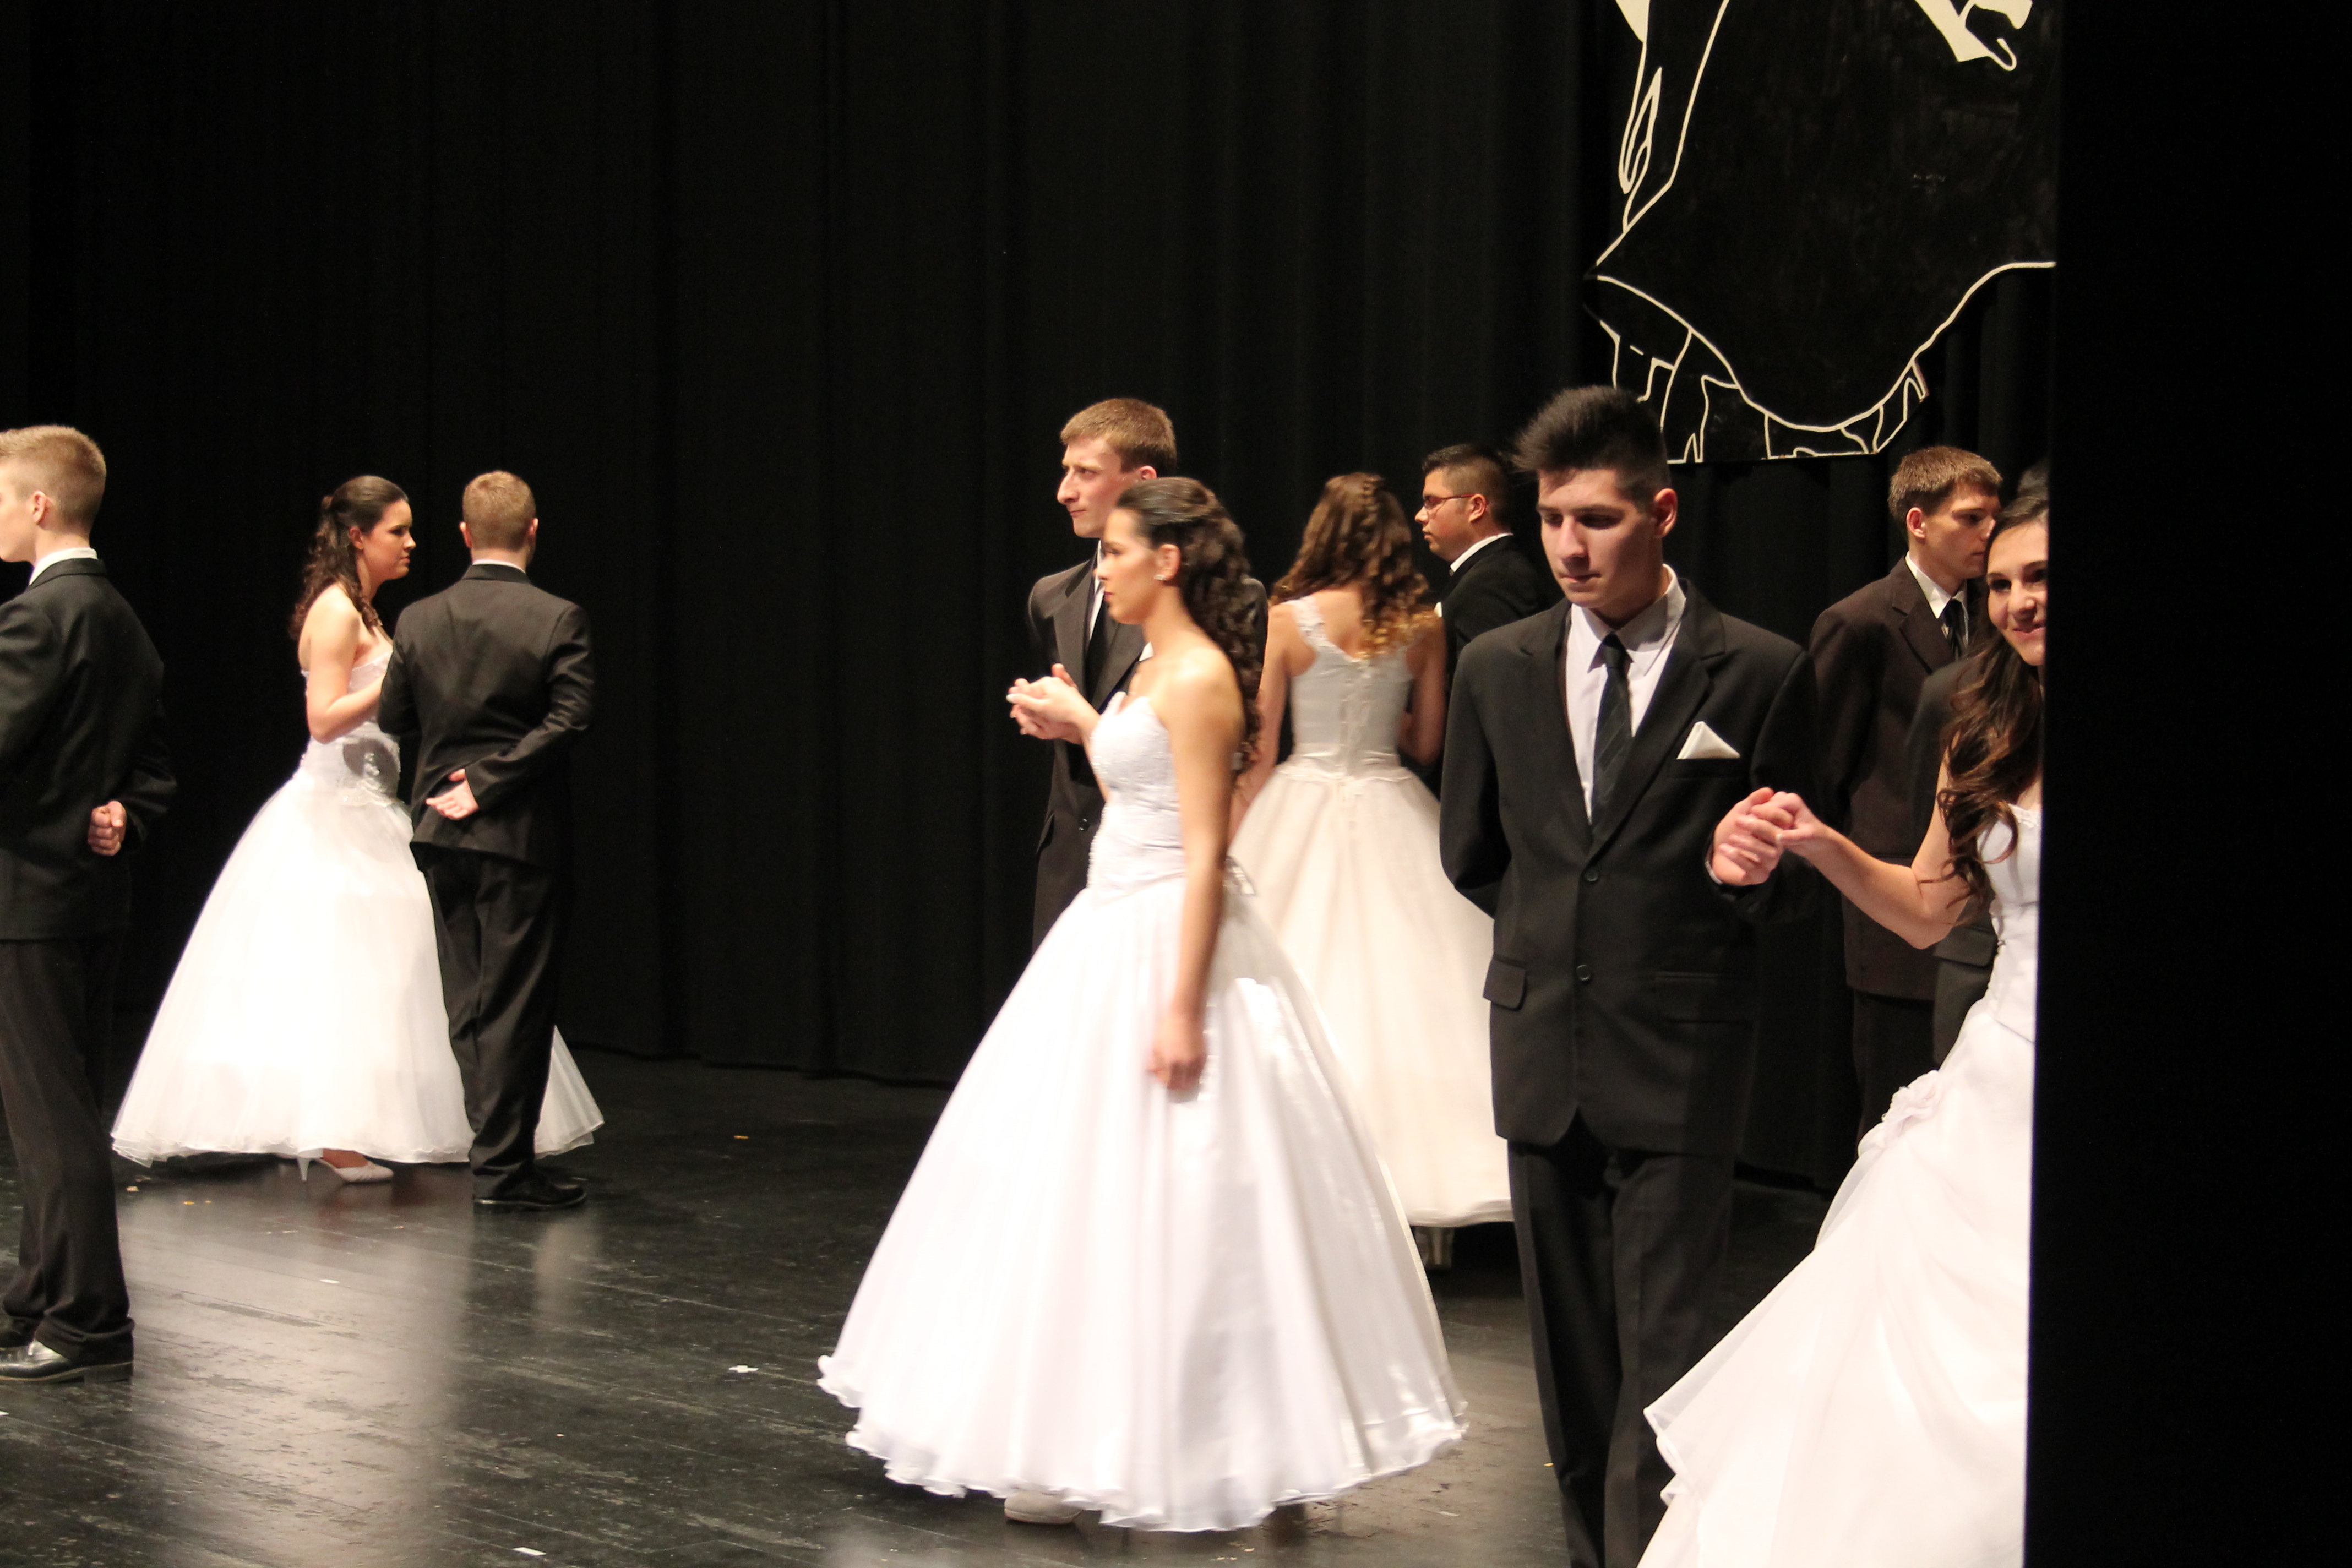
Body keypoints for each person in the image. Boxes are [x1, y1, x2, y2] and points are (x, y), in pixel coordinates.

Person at [824, 478, 1463, 1532]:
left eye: (1117, 551)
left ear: (1166, 560)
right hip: (1107, 925)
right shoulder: (1157, 666)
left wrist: (1179, 1005)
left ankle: (1207, 1436)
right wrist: (1083, 722)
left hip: (1163, 937)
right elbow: (1141, 795)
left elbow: (1206, 850)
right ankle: (1063, 1427)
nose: (1103, 567)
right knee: (1074, 1184)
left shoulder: (1202, 674)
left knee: (1185, 1190)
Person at [1439, 387, 1817, 1568]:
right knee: (1572, 1362)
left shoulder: (1758, 668)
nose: (1569, 546)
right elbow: (1474, 852)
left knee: (1665, 1359)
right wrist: (1562, 944)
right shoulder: (1497, 664)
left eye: (1596, 519)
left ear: (1660, 512)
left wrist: (1739, 876)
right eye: (1553, 518)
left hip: (1681, 1049)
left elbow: (1795, 882)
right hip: (1541, 1044)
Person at [1639, 488, 2048, 1568]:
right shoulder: (1984, 725)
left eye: (2040, 577)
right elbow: (1926, 908)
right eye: (2003, 581)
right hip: (1999, 1081)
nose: (2018, 600)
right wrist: (1820, 843)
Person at [110, 478, 602, 1180]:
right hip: (332, 807)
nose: (410, 543)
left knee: (396, 974)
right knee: (338, 968)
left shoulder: (370, 609)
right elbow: (322, 718)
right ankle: (333, 1130)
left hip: (375, 802)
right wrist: (400, 677)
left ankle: (426, 1124)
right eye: (397, 531)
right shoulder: (338, 609)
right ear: (357, 536)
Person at [1230, 472, 1509, 1268]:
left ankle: (1291, 1193)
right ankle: (1415, 1209)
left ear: (1322, 534)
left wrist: (1232, 845)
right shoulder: (1422, 626)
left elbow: (1261, 749)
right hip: (1390, 798)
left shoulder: (1287, 621)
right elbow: (1427, 744)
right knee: (1414, 988)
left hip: (1300, 799)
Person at [0, 426, 172, 1386]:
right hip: (91, 898)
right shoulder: (121, 618)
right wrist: (125, 815)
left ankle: (89, 1320)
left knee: (51, 1117)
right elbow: (153, 767)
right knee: (59, 1106)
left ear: (37, 505)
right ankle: (38, 1295)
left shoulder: (39, 618)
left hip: (29, 899)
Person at [377, 472, 595, 1212]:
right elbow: (571, 718)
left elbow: (395, 716)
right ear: (533, 531)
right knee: (515, 1003)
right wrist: (490, 780)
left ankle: (495, 1157)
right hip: (518, 834)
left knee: (469, 1000)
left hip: (439, 827)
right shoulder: (557, 617)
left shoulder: (419, 618)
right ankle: (502, 1168)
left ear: (466, 535)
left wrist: (459, 772)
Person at [1809, 446, 1998, 1130]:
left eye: (1994, 517)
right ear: (1918, 522)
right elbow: (1822, 766)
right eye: (1970, 518)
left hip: (1985, 903)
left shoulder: (2000, 615)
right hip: (1898, 907)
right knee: (1898, 1115)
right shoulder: (1861, 621)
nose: (1989, 532)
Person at [1023, 399, 1174, 947]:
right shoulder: (1051, 597)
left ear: (1142, 482)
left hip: (1157, 871)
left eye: (1086, 473)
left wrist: (1085, 722)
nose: (1065, 492)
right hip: (1068, 867)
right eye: (1066, 471)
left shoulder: (1208, 599)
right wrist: (1050, 716)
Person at [1418, 441, 1560, 687]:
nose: (1420, 516)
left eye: (1432, 502)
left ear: (1476, 507)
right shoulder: (1488, 572)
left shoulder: (1496, 582)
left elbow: (1498, 690)